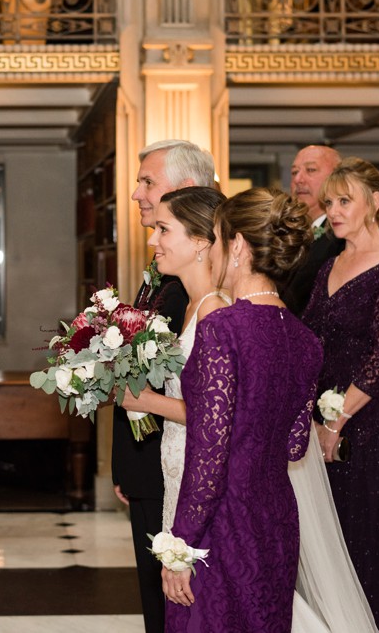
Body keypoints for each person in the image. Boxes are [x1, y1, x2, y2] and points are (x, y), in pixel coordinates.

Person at [163, 187, 323, 632]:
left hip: (223, 525)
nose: (211, 251)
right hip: (276, 520)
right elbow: (294, 445)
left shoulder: (222, 330)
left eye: (214, 239)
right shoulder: (305, 339)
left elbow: (208, 457)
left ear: (237, 246)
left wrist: (181, 547)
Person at [302, 157, 379, 632]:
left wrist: (336, 421)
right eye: (329, 202)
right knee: (328, 539)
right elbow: (308, 337)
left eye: (344, 200)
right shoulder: (330, 262)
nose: (333, 210)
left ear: (374, 202)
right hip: (323, 417)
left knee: (368, 535)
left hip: (370, 424)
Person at [117, 139, 209, 632]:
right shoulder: (168, 271)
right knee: (162, 606)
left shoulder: (212, 295)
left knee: (183, 604)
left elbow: (214, 403)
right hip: (155, 459)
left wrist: (144, 400)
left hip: (185, 463)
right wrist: (124, 462)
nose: (136, 194)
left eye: (148, 181)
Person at [120, 186, 229, 534]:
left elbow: (223, 414)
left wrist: (146, 401)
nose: (153, 241)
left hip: (203, 469)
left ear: (200, 241)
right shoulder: (190, 306)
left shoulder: (215, 309)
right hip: (176, 461)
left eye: (164, 229)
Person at [281, 145, 344, 317]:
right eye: (294, 172)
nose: (299, 179)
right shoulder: (284, 230)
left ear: (336, 178)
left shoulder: (342, 238)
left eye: (310, 170)